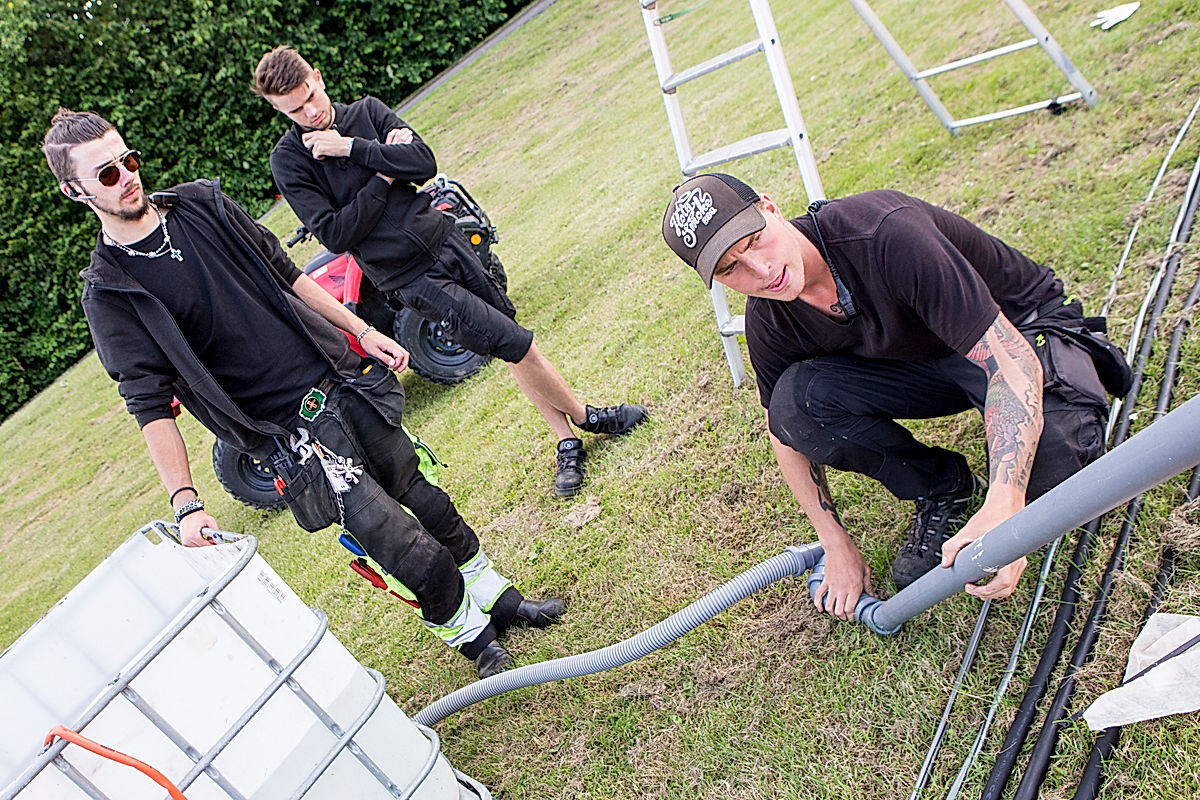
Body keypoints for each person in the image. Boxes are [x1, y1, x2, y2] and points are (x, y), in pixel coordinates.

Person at [44, 108, 566, 679]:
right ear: (74, 190)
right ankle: (476, 639)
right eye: (108, 174)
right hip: (289, 439)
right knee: (397, 544)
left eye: (129, 160)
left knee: (427, 499)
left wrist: (364, 332)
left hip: (340, 382)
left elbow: (288, 274)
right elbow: (148, 404)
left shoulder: (202, 205)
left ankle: (503, 600)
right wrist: (186, 503)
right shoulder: (111, 291)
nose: (128, 177)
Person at [661, 174, 1128, 620]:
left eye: (755, 241)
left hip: (1017, 332)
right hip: (925, 364)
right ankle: (943, 485)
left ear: (770, 208)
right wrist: (834, 542)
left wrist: (1006, 500)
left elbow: (1011, 362)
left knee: (1059, 476)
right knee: (794, 404)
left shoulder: (884, 233)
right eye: (731, 269)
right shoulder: (770, 316)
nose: (760, 270)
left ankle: (1037, 439)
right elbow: (784, 433)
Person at [251, 46, 647, 498]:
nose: (310, 112)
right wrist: (383, 172)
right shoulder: (289, 161)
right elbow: (337, 234)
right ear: (278, 109)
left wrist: (355, 149)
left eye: (309, 96)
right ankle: (587, 417)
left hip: (446, 239)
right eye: (294, 110)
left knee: (509, 338)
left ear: (317, 77)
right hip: (410, 278)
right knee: (517, 343)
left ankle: (566, 440)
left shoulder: (367, 113)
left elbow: (423, 163)